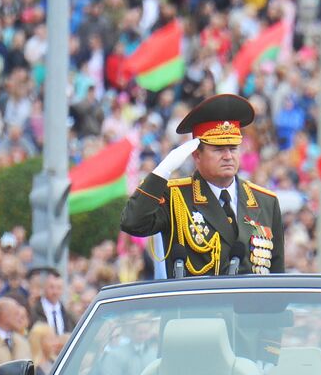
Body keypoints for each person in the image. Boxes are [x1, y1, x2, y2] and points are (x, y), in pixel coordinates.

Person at [120, 94, 285, 277]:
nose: (228, 156)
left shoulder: (265, 202)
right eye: (218, 149)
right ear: (196, 155)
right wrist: (164, 169)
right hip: (197, 305)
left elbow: (277, 275)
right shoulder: (175, 197)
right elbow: (133, 222)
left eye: (233, 148)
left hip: (251, 305)